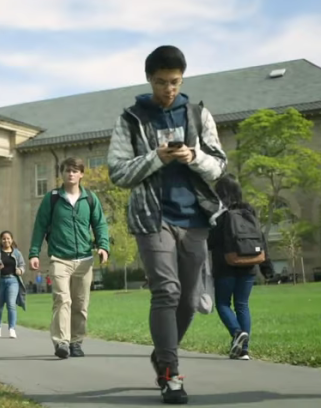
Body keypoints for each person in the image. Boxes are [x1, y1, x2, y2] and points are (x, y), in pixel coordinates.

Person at [106, 45, 227, 404]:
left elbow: (220, 165)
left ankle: (162, 353)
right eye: (161, 82)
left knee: (188, 301)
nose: (168, 90)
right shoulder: (131, 119)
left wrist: (193, 156)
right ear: (149, 79)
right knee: (167, 291)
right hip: (152, 217)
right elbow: (117, 172)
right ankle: (171, 373)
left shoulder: (198, 114)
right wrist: (157, 157)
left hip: (195, 219)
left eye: (174, 82)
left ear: (182, 79)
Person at [28, 157, 110, 359]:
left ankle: (76, 341)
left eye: (75, 171)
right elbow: (40, 226)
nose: (70, 174)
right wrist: (34, 253)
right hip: (59, 259)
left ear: (81, 174)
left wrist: (103, 247)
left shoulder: (90, 198)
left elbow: (100, 224)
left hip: (84, 259)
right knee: (62, 300)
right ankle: (62, 342)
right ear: (61, 174)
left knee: (80, 305)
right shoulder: (52, 198)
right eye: (67, 170)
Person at [208, 174, 274, 361]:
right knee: (242, 305)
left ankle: (237, 333)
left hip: (226, 266)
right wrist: (266, 267)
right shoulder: (249, 212)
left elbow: (211, 241)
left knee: (222, 304)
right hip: (249, 266)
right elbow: (262, 240)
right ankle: (244, 350)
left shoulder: (220, 215)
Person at [0, 230, 27, 339]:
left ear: (12, 239)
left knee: (11, 304)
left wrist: (20, 271)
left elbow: (23, 265)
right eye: (4, 238)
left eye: (8, 238)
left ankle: (12, 328)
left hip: (13, 280)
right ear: (0, 240)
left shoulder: (17, 253)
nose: (6, 240)